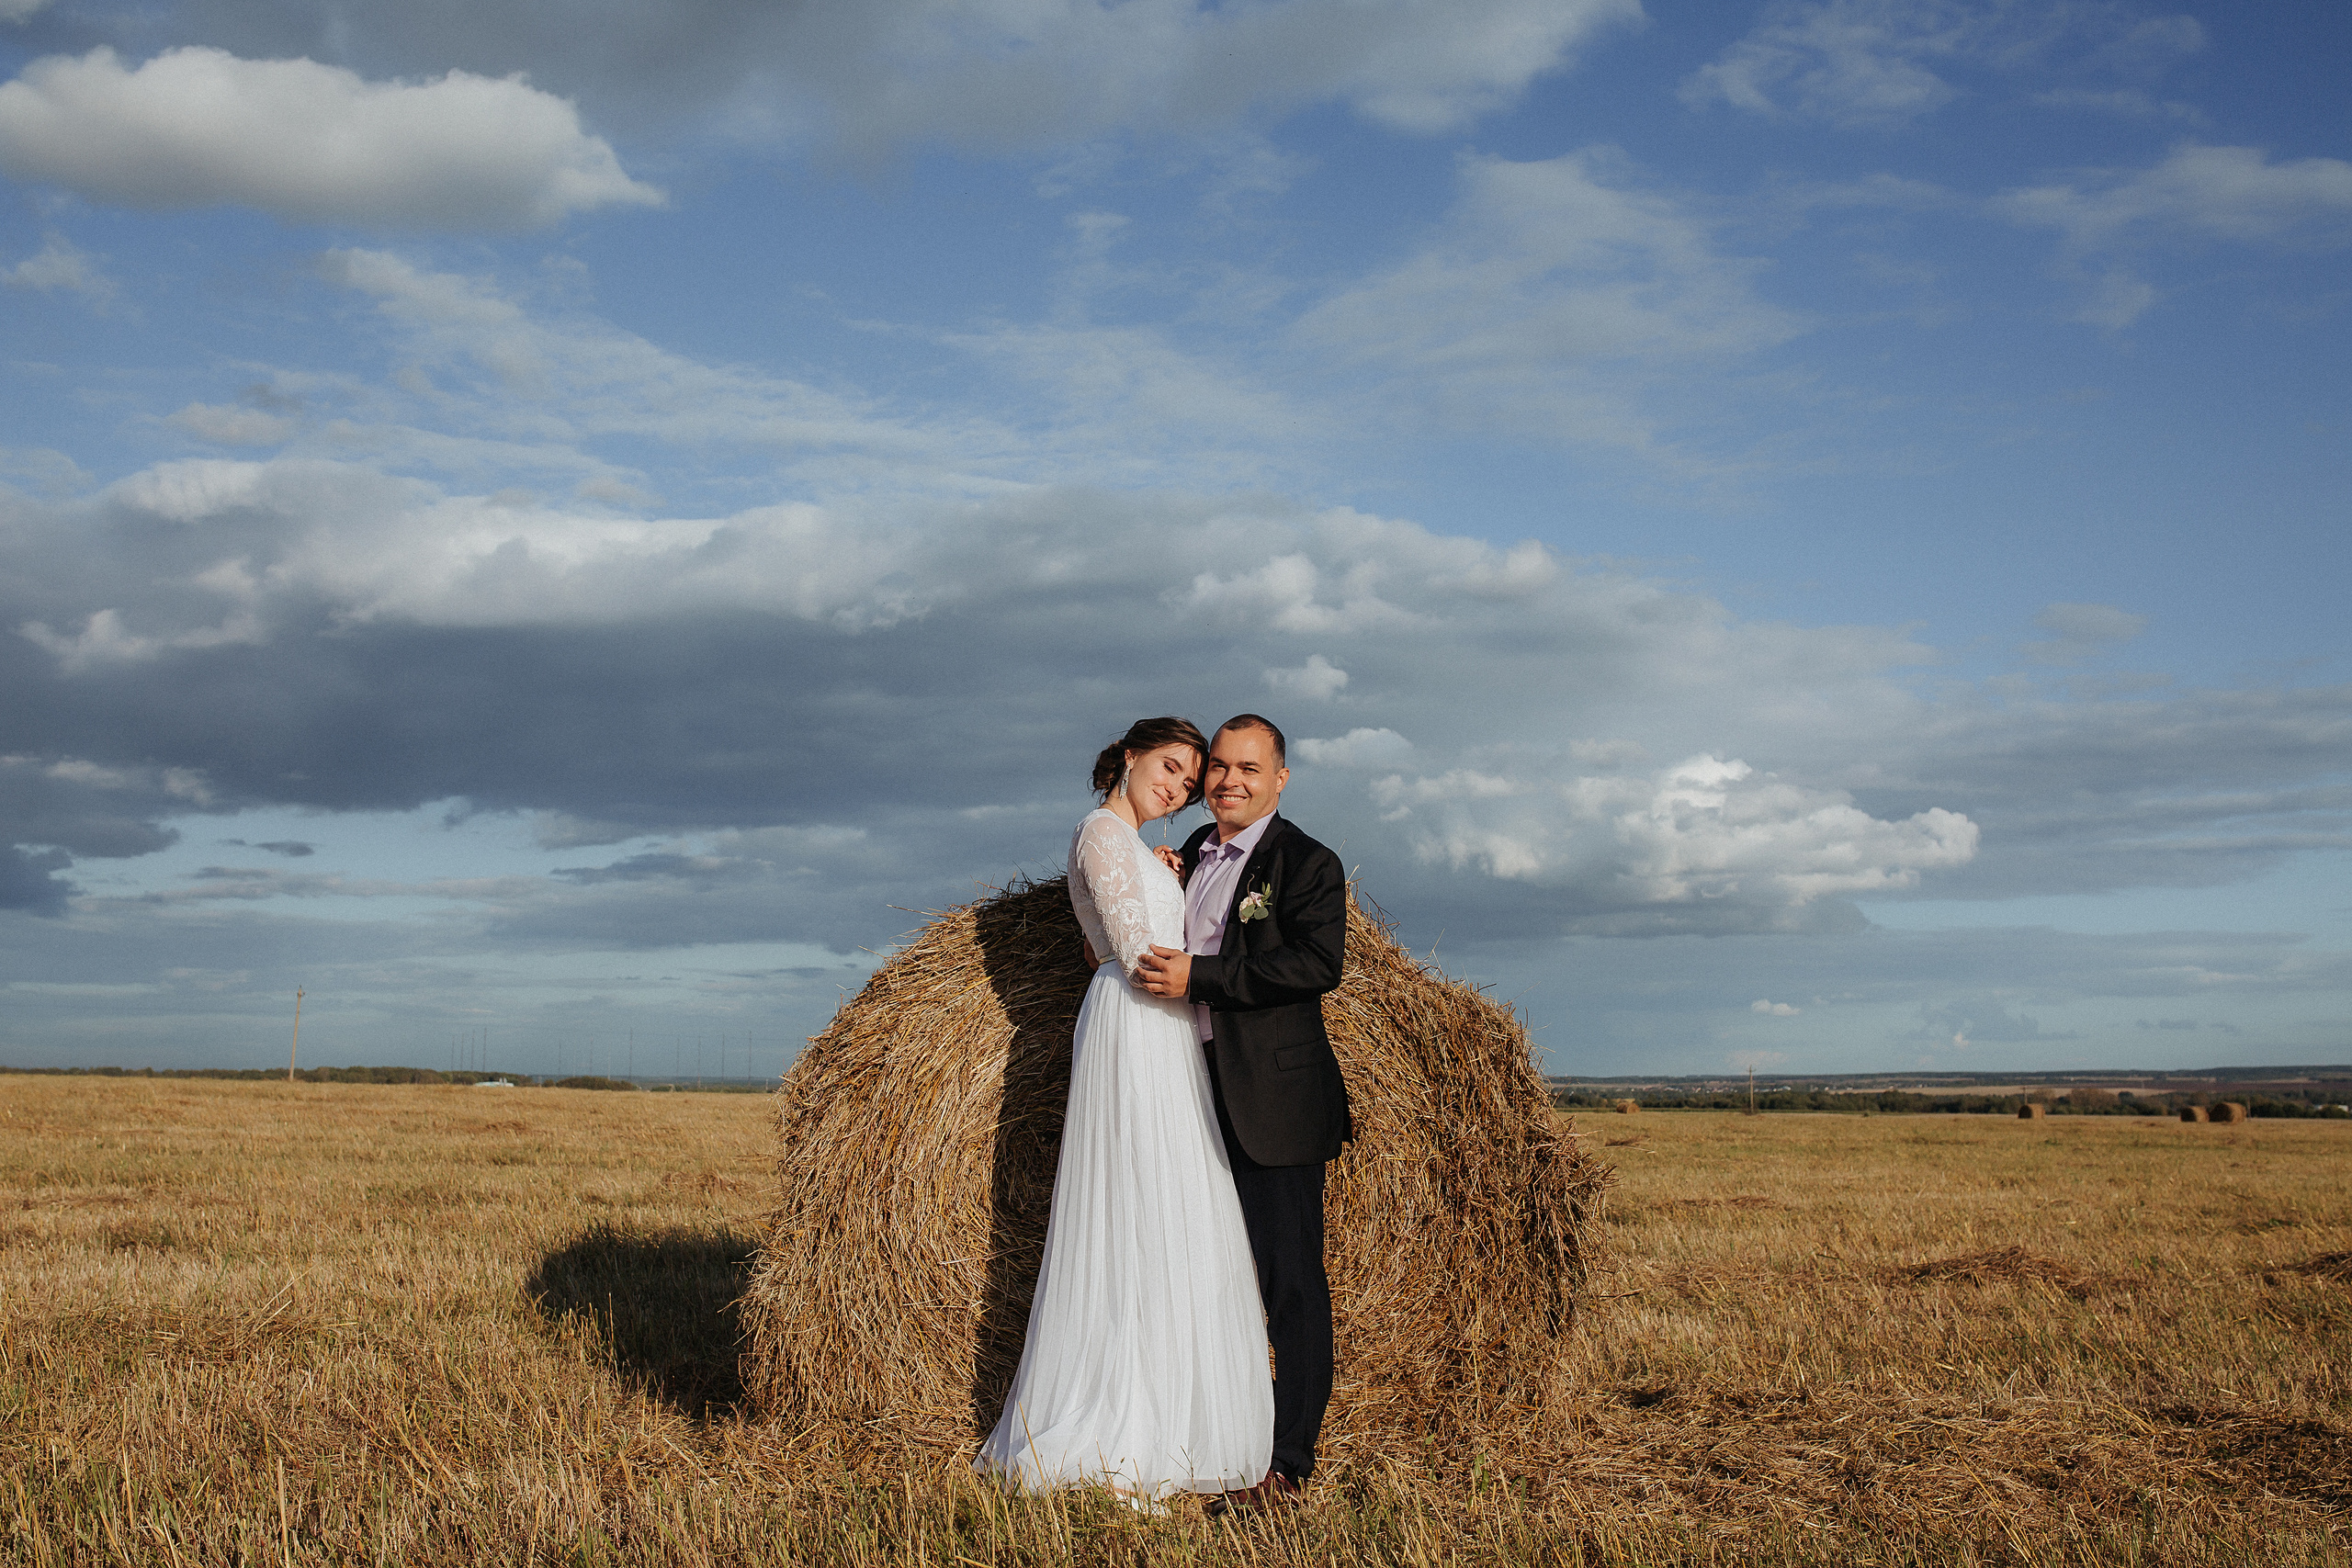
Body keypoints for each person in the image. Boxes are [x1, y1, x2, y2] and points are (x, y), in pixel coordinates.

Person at [974, 717, 1274, 1506]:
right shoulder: (1101, 831)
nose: (1178, 786)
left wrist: (1158, 869)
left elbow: (1093, 946)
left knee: (1169, 1205)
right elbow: (1138, 952)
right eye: (1170, 766)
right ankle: (1123, 1420)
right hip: (1139, 1023)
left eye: (1187, 779)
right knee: (1146, 1204)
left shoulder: (1126, 844)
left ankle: (1169, 1410)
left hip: (1151, 1022)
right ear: (1129, 755)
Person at [1136, 713, 1351, 1515]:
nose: (1228, 781)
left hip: (1274, 1101)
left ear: (1280, 777)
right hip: (1185, 1090)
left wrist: (1203, 973)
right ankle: (1208, 1437)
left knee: (1290, 1282)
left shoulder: (1307, 862)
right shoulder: (1192, 854)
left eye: (1247, 769)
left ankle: (1289, 1460)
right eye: (1217, 768)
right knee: (1201, 1273)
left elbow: (1316, 963)